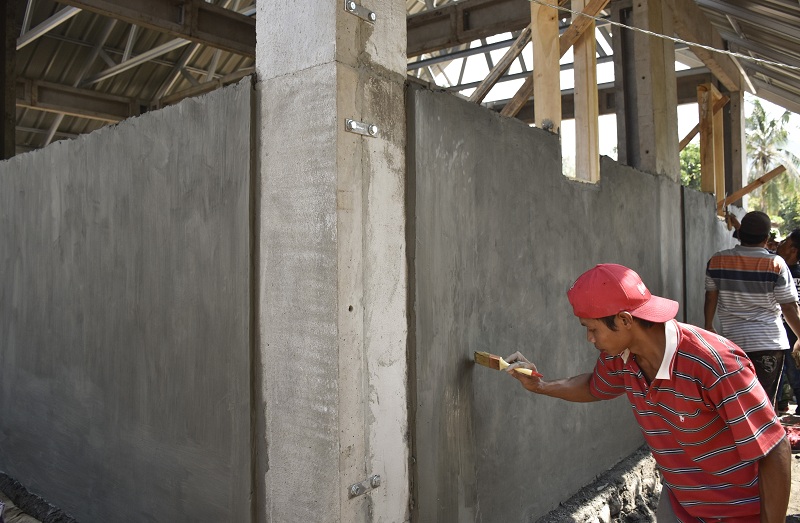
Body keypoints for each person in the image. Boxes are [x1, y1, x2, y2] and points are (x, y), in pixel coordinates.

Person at [504, 263, 791, 521]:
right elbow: (594, 387)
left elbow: (775, 446)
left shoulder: (715, 364)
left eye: (592, 329)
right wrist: (540, 386)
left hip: (739, 512)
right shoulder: (619, 357)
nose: (589, 339)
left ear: (626, 320)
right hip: (682, 504)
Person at [704, 210, 800, 405]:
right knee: (764, 405)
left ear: (740, 235)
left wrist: (708, 325)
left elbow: (711, 295)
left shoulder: (717, 260)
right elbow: (788, 306)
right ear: (766, 238)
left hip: (733, 345)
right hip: (769, 344)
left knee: (739, 404)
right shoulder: (775, 264)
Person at [776, 228, 800, 414]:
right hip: (777, 335)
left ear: (793, 250)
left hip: (794, 336)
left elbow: (790, 307)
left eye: (785, 242)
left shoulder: (781, 271)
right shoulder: (774, 266)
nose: (780, 244)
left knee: (795, 377)